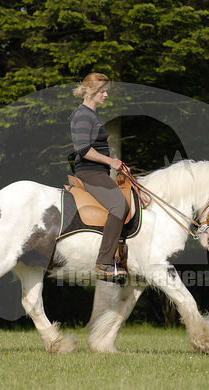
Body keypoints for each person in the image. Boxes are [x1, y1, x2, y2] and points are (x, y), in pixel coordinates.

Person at [68, 73, 129, 278]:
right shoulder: (83, 115)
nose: (106, 95)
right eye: (103, 91)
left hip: (99, 172)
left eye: (106, 91)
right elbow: (83, 149)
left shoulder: (92, 115)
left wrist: (117, 166)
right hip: (89, 173)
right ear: (92, 91)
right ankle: (104, 262)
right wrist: (111, 161)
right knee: (119, 206)